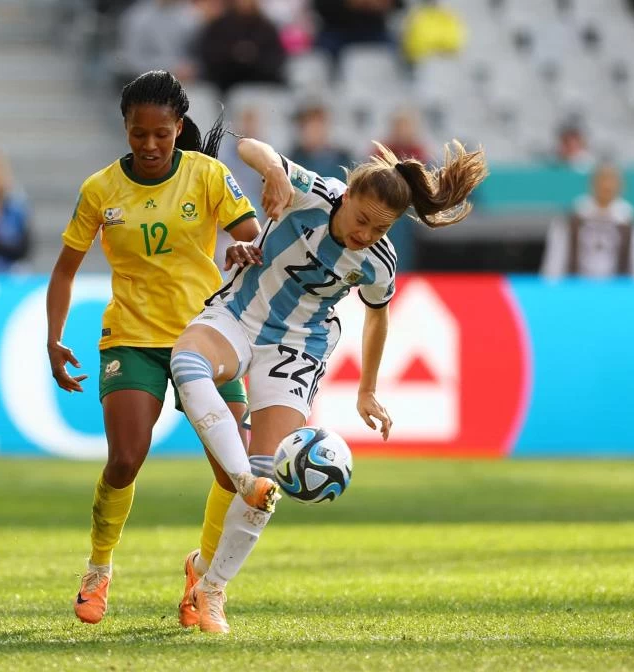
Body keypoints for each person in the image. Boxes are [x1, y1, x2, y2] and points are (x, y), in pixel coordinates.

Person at [169, 135, 487, 633]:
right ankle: (240, 479)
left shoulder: (379, 262)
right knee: (186, 362)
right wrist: (274, 172)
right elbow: (253, 148)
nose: (366, 233)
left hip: (297, 347)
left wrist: (367, 389)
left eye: (380, 227)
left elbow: (378, 318)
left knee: (268, 478)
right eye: (362, 219)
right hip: (238, 315)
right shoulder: (315, 192)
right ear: (347, 196)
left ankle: (211, 588)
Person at [45, 70, 262, 626]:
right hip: (133, 338)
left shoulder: (208, 175)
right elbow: (65, 269)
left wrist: (245, 250)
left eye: (161, 134)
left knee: (229, 473)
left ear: (179, 128)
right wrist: (54, 336)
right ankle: (98, 570)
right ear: (125, 128)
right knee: (124, 459)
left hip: (206, 337)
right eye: (138, 133)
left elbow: (250, 234)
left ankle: (205, 578)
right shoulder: (100, 189)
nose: (148, 145)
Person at [540, 162, 634, 282]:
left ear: (621, 186)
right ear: (592, 184)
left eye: (611, 181)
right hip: (576, 293)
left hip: (617, 295)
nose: (606, 186)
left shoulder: (632, 225)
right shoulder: (570, 221)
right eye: (602, 180)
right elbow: (554, 263)